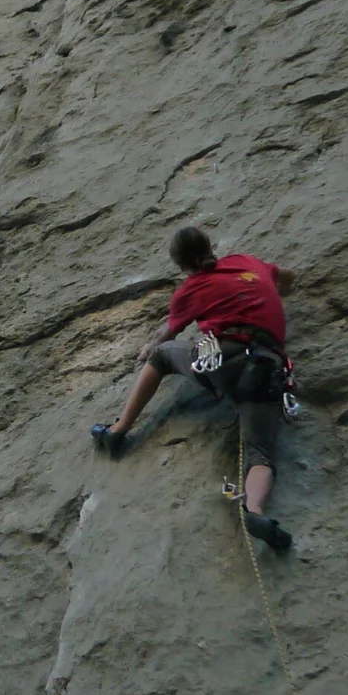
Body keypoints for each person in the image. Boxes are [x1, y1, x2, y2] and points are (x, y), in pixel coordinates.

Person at [92, 226, 297, 551]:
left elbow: (167, 334)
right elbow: (287, 277)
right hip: (267, 366)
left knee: (162, 356)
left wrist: (147, 348)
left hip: (223, 359)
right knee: (260, 451)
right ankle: (255, 509)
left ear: (180, 265)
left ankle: (118, 429)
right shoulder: (246, 262)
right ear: (209, 246)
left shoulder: (191, 288)